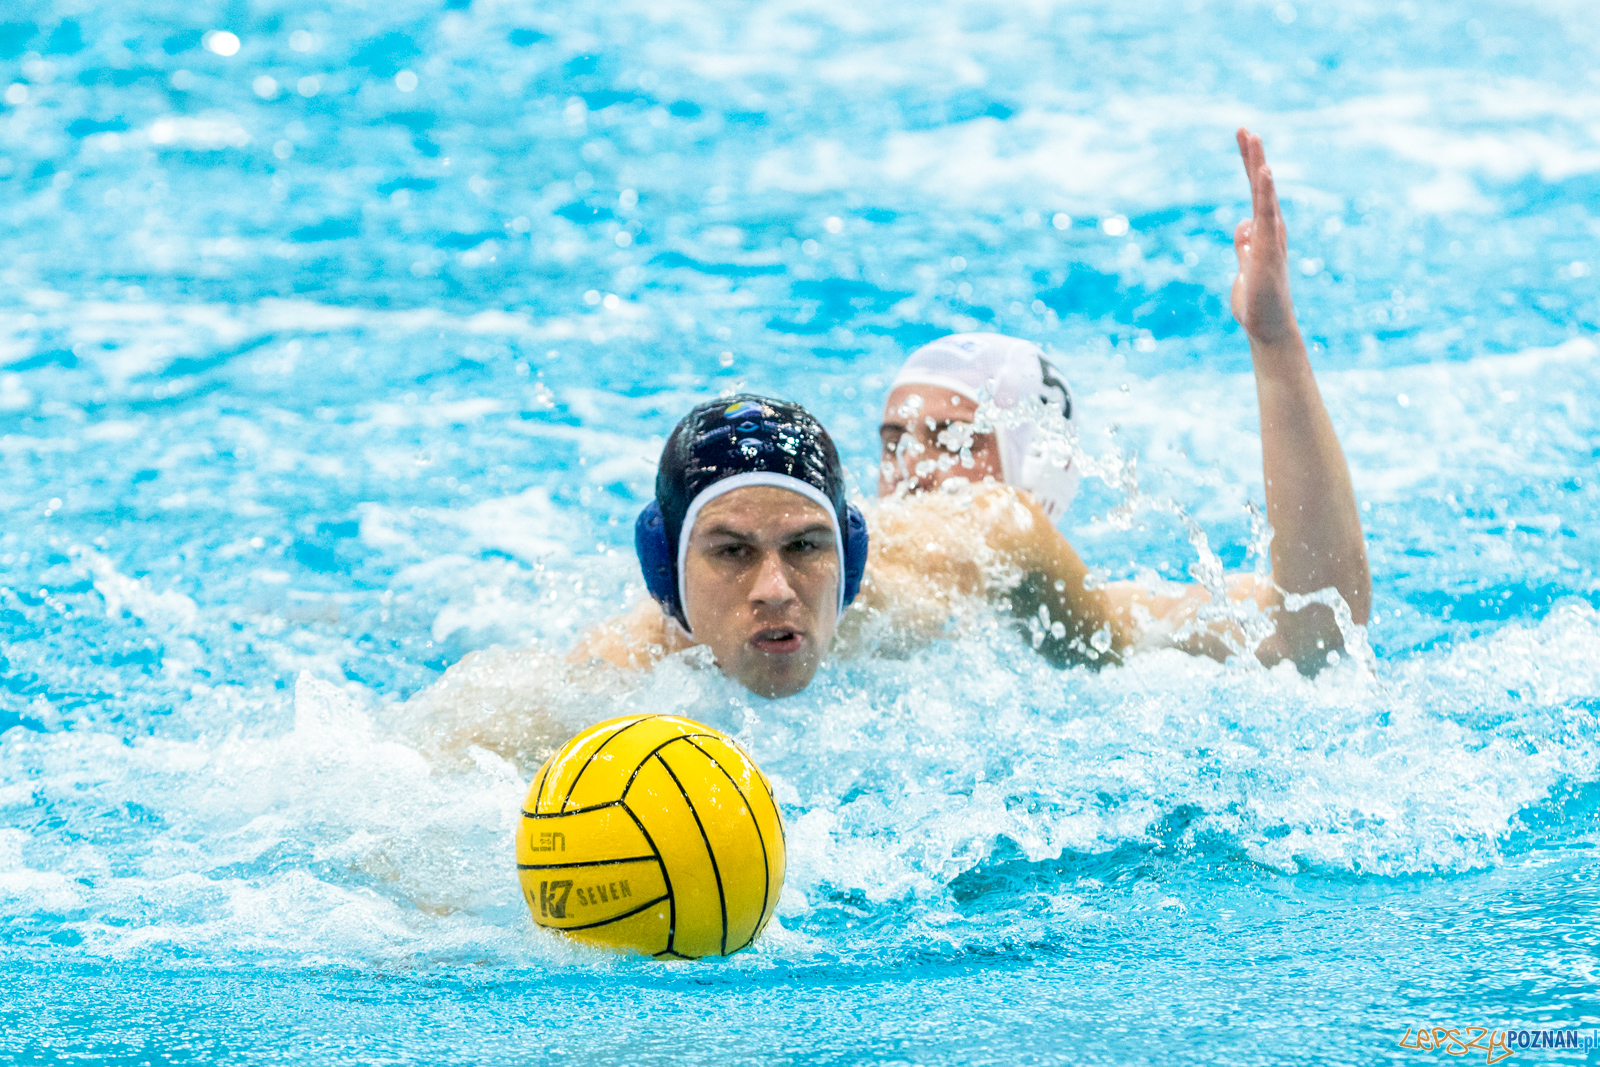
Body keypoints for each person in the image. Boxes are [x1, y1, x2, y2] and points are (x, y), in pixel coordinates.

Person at [860, 127, 1371, 673]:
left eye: (950, 439)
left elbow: (1314, 629)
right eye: (894, 444)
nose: (908, 467)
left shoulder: (1099, 618)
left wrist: (1276, 346)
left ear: (1037, 464)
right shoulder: (813, 579)